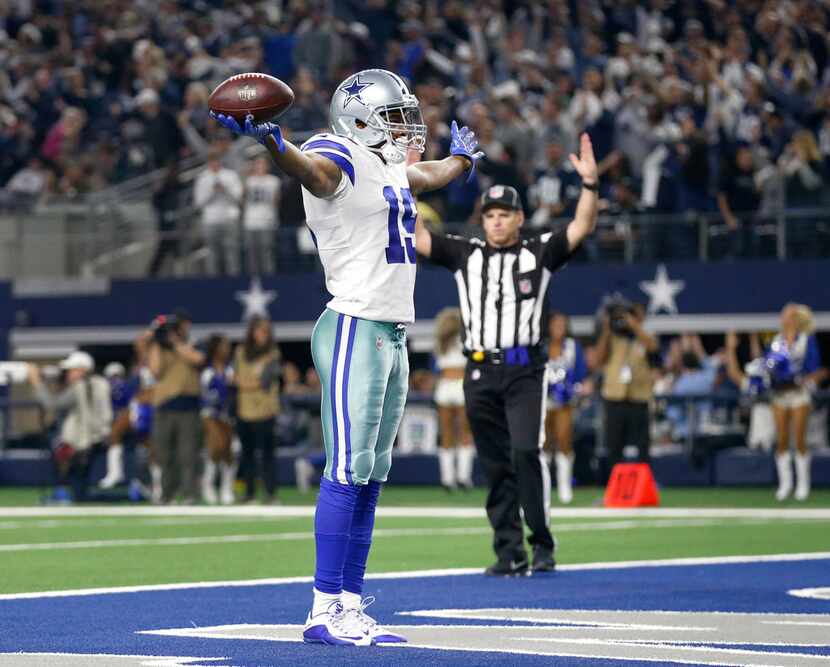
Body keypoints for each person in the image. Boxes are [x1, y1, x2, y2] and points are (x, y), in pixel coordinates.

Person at [214, 67, 483, 645]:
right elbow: (312, 173)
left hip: (390, 331)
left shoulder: (386, 164)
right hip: (353, 325)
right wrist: (275, 141)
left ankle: (352, 605)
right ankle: (321, 608)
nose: (405, 126)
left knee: (371, 475)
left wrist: (461, 163)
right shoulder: (333, 150)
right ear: (358, 118)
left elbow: (426, 175)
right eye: (393, 116)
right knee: (344, 469)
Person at [414, 132, 599, 577]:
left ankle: (542, 543)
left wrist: (590, 186)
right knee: (495, 464)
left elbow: (580, 228)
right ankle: (508, 550)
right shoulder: (465, 252)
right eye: (490, 215)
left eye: (504, 215)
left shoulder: (539, 252)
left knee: (524, 453)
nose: (496, 222)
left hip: (523, 372)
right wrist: (410, 175)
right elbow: (420, 237)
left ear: (519, 218)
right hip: (478, 372)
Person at [28, 351, 112, 502]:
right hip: (97, 438)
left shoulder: (81, 387)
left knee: (79, 492)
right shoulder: (100, 383)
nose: (68, 374)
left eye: (72, 370)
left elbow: (52, 404)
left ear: (82, 369)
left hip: (83, 443)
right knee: (80, 488)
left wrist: (37, 383)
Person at [766, 304, 823, 501]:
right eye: (783, 315)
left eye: (788, 315)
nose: (784, 319)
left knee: (799, 439)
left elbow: (813, 365)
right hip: (780, 394)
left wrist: (800, 376)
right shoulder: (776, 340)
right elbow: (770, 365)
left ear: (795, 319)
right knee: (781, 439)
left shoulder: (807, 340)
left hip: (799, 393)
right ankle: (785, 484)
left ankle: (803, 484)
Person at [147, 309, 204, 504]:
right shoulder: (159, 348)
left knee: (188, 454)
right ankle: (167, 494)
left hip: (188, 405)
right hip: (164, 405)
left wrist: (175, 343)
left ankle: (190, 494)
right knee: (164, 453)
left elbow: (197, 359)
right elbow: (155, 371)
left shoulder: (193, 344)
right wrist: (157, 341)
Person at [594, 299, 658, 472]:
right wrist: (607, 330)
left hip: (639, 397)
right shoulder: (612, 337)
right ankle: (614, 488)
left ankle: (644, 484)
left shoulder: (645, 335)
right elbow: (597, 360)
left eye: (633, 316)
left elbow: (653, 347)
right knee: (614, 446)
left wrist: (634, 326)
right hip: (614, 397)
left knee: (643, 446)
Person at [233, 316, 281, 504]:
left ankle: (270, 493)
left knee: (267, 455)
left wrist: (244, 383)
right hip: (244, 410)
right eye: (260, 331)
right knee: (247, 454)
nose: (263, 335)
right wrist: (246, 383)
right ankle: (249, 493)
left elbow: (265, 382)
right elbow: (233, 378)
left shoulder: (273, 354)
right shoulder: (240, 352)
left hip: (265, 410)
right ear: (252, 332)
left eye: (266, 331)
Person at [544, 312, 587, 504]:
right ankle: (542, 485)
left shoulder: (572, 346)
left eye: (562, 324)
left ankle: (564, 486)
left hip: (564, 401)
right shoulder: (540, 345)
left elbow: (580, 372)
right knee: (543, 442)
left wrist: (575, 390)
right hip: (542, 400)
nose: (558, 328)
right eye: (555, 324)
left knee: (563, 439)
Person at [432, 307, 475, 491]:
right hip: (448, 387)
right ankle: (449, 479)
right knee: (450, 433)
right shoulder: (440, 343)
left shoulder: (466, 340)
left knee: (462, 432)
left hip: (458, 386)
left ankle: (462, 477)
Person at [193, 145, 243, 276]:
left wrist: (225, 189)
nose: (214, 162)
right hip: (210, 220)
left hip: (229, 218)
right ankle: (214, 286)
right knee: (212, 254)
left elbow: (238, 198)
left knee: (231, 253)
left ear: (220, 160)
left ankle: (234, 284)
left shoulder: (230, 176)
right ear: (209, 161)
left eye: (217, 159)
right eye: (212, 160)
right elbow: (198, 203)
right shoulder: (202, 178)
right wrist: (212, 191)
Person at [201, 334, 237, 505]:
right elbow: (203, 395)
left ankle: (226, 488)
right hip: (210, 414)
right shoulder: (207, 372)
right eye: (224, 346)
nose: (227, 349)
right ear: (215, 349)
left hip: (227, 415)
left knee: (229, 451)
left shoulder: (231, 370)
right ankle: (208, 485)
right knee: (216, 447)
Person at [243, 156, 282, 275]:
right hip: (251, 220)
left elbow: (277, 201)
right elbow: (243, 198)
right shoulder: (249, 180)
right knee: (252, 254)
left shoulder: (274, 181)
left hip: (267, 220)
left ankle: (269, 278)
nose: (260, 167)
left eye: (262, 164)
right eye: (258, 164)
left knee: (267, 252)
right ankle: (253, 280)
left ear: (267, 166)